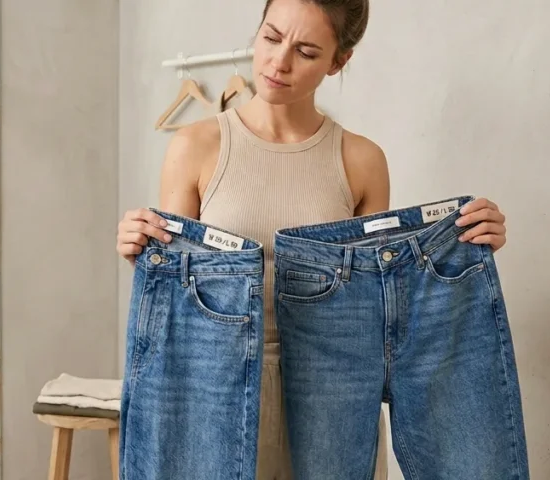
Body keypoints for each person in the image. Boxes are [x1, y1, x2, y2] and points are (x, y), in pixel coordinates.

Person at [115, 0, 509, 478]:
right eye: (271, 36)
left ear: (338, 61)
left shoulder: (360, 160)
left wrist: (466, 238)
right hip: (217, 386)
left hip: (335, 388)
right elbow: (180, 283)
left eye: (305, 51)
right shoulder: (196, 147)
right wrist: (140, 249)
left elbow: (377, 296)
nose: (279, 62)